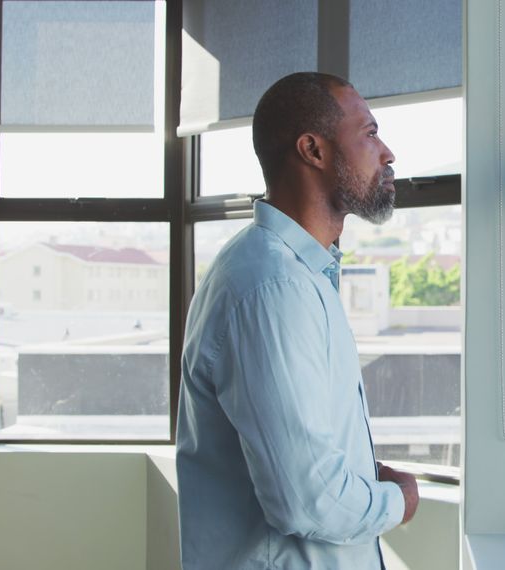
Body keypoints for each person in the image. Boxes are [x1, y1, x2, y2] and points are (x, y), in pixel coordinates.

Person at [176, 72, 418, 570]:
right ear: (313, 150)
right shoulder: (271, 288)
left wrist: (359, 473)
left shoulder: (293, 275)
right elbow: (307, 502)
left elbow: (298, 457)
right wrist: (401, 501)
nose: (388, 153)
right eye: (370, 134)